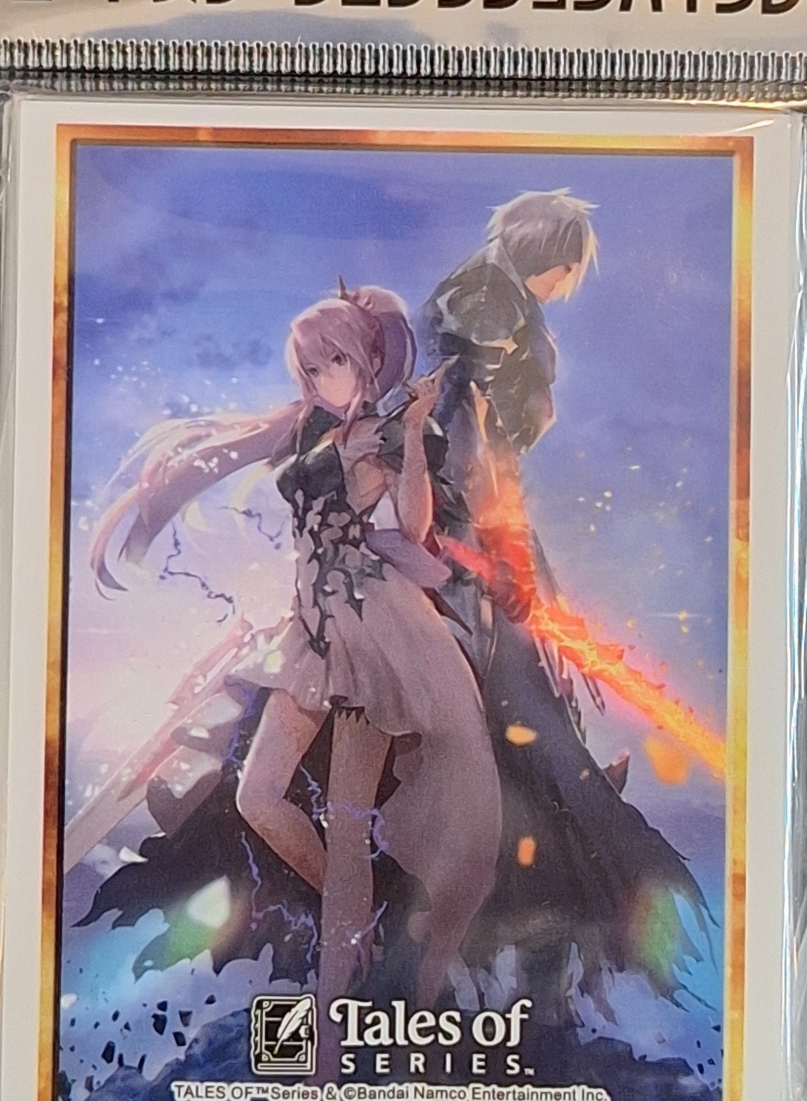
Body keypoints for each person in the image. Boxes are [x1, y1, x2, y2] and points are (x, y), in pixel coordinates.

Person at [88, 285, 501, 1012]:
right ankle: (361, 917)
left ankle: (336, 1001)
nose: (320, 379)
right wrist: (162, 490)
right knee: (258, 796)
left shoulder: (390, 431)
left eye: (332, 362)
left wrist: (410, 433)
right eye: (309, 368)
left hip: (370, 632)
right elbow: (240, 452)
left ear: (368, 357)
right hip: (311, 628)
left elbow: (413, 530)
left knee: (346, 823)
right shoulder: (311, 427)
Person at [420, 191, 707, 1012]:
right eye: (566, 272)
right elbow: (476, 432)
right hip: (471, 529)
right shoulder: (485, 305)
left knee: (534, 696)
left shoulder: (482, 295)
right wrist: (504, 543)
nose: (564, 286)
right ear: (550, 258)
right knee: (525, 702)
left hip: (467, 521)